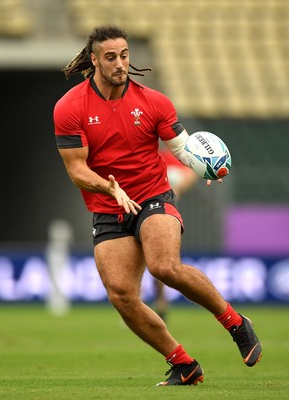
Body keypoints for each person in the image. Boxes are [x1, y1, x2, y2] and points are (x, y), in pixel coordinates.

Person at [53, 25, 262, 386]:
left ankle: (235, 322)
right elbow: (76, 169)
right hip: (109, 205)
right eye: (111, 57)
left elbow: (181, 148)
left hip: (153, 195)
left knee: (164, 266)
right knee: (121, 295)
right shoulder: (69, 107)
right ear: (94, 60)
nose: (120, 63)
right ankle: (183, 363)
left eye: (124, 55)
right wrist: (109, 188)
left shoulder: (154, 101)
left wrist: (203, 165)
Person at [154, 149, 198, 321]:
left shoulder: (180, 158)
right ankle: (147, 304)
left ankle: (161, 304)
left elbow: (191, 176)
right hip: (147, 212)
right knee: (150, 263)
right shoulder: (154, 156)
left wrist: (179, 184)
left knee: (162, 264)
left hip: (167, 215)